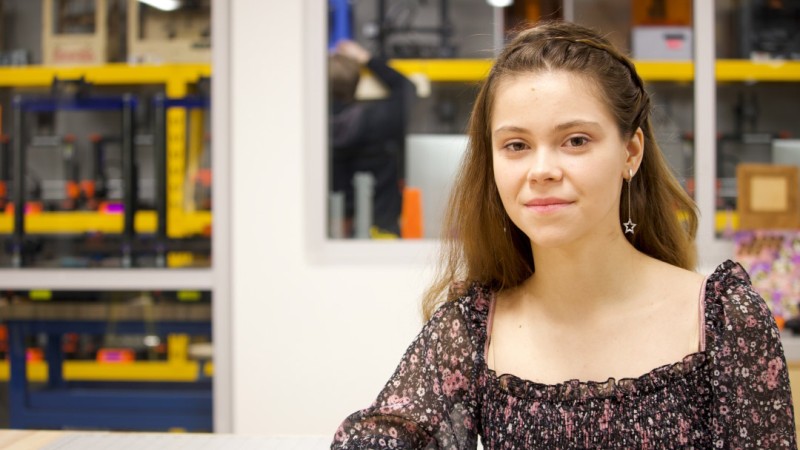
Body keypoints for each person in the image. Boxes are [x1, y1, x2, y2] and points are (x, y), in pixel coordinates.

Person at [330, 20, 797, 449]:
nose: (542, 170)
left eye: (575, 140)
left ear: (631, 151)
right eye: (516, 145)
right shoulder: (471, 330)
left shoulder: (722, 319)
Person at [329, 39, 415, 237]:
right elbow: (406, 88)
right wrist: (365, 58)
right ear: (356, 83)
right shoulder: (379, 120)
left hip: (333, 236)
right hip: (381, 233)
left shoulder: (312, 131)